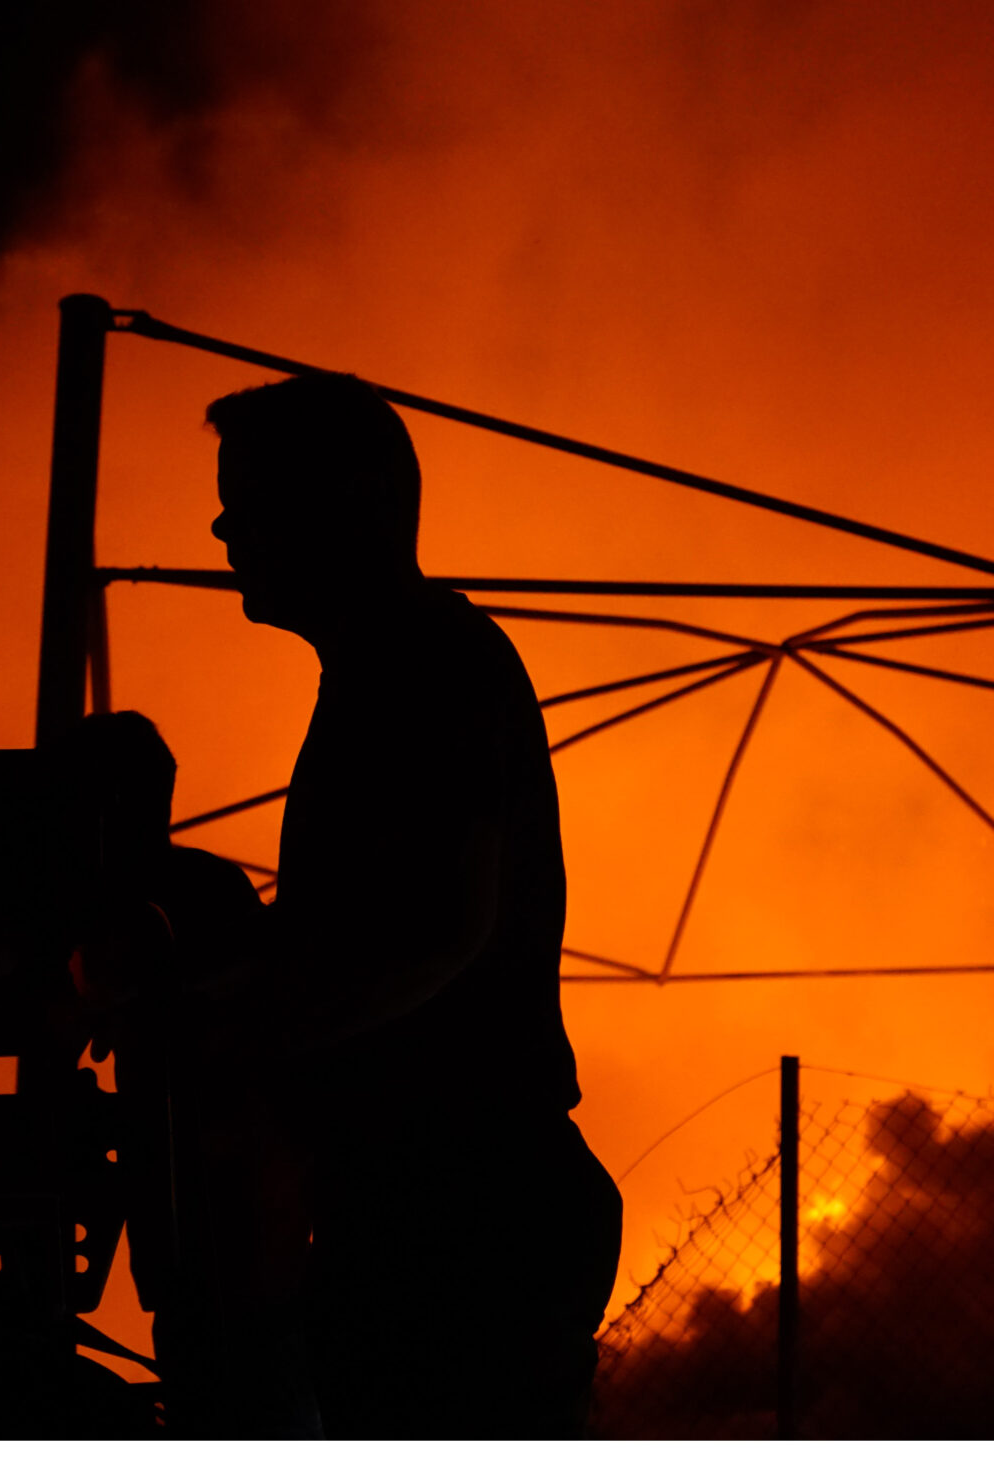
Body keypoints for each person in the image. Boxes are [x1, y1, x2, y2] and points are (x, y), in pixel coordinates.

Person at [198, 373, 624, 1438]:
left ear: (337, 506)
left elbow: (435, 930)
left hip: (456, 1211)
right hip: (452, 1201)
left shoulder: (422, 669)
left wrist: (236, 1036)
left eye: (246, 498)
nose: (220, 526)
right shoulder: (400, 666)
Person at [60, 710, 321, 1437]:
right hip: (227, 1224)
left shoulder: (154, 911)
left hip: (224, 1219)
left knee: (243, 1389)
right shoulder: (203, 891)